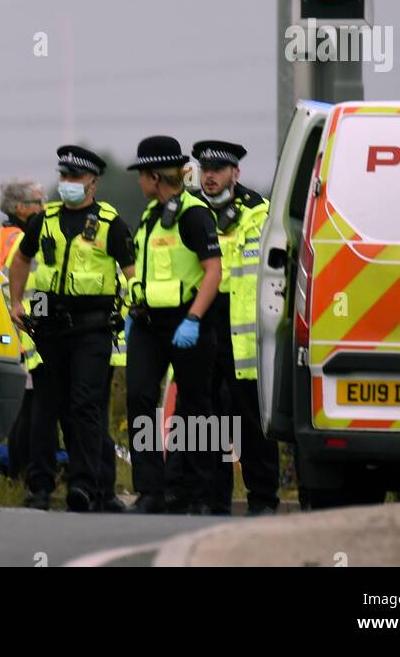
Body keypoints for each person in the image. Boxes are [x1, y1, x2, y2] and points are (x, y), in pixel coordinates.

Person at [8, 146, 136, 513]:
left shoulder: (111, 224)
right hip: (49, 326)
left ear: (92, 183)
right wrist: (17, 303)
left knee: (85, 406)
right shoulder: (43, 220)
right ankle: (40, 487)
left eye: (75, 178)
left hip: (92, 328)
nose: (67, 184)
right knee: (45, 410)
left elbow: (132, 277)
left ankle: (89, 486)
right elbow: (21, 258)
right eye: (63, 177)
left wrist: (124, 314)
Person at [123, 135, 223, 515]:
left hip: (187, 322)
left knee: (197, 408)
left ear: (154, 177)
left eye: (141, 176)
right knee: (140, 400)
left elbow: (213, 272)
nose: (138, 183)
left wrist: (194, 319)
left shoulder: (194, 214)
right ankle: (151, 490)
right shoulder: (150, 217)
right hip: (149, 324)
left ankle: (199, 494)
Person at [191, 140, 279, 516]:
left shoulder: (257, 212)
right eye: (204, 169)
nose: (209, 176)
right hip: (201, 322)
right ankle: (213, 499)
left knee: (249, 421)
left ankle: (262, 499)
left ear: (235, 173)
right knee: (208, 417)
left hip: (242, 331)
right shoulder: (191, 210)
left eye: (218, 169)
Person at [0, 178, 47, 479]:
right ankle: (26, 474)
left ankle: (16, 474)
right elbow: (39, 287)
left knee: (17, 411)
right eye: (37, 203)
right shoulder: (25, 240)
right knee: (31, 411)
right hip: (26, 333)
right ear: (20, 208)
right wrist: (42, 323)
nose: (43, 208)